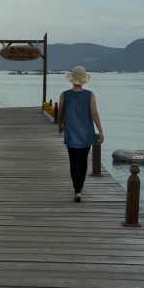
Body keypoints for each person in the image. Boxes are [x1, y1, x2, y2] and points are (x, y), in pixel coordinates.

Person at [58, 66, 104, 202]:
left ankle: (77, 190)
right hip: (86, 132)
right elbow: (94, 113)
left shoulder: (64, 95)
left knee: (73, 162)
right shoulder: (90, 95)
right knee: (83, 161)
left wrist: (60, 125)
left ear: (72, 79)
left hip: (71, 132)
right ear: (84, 80)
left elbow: (61, 112)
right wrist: (100, 131)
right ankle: (81, 187)